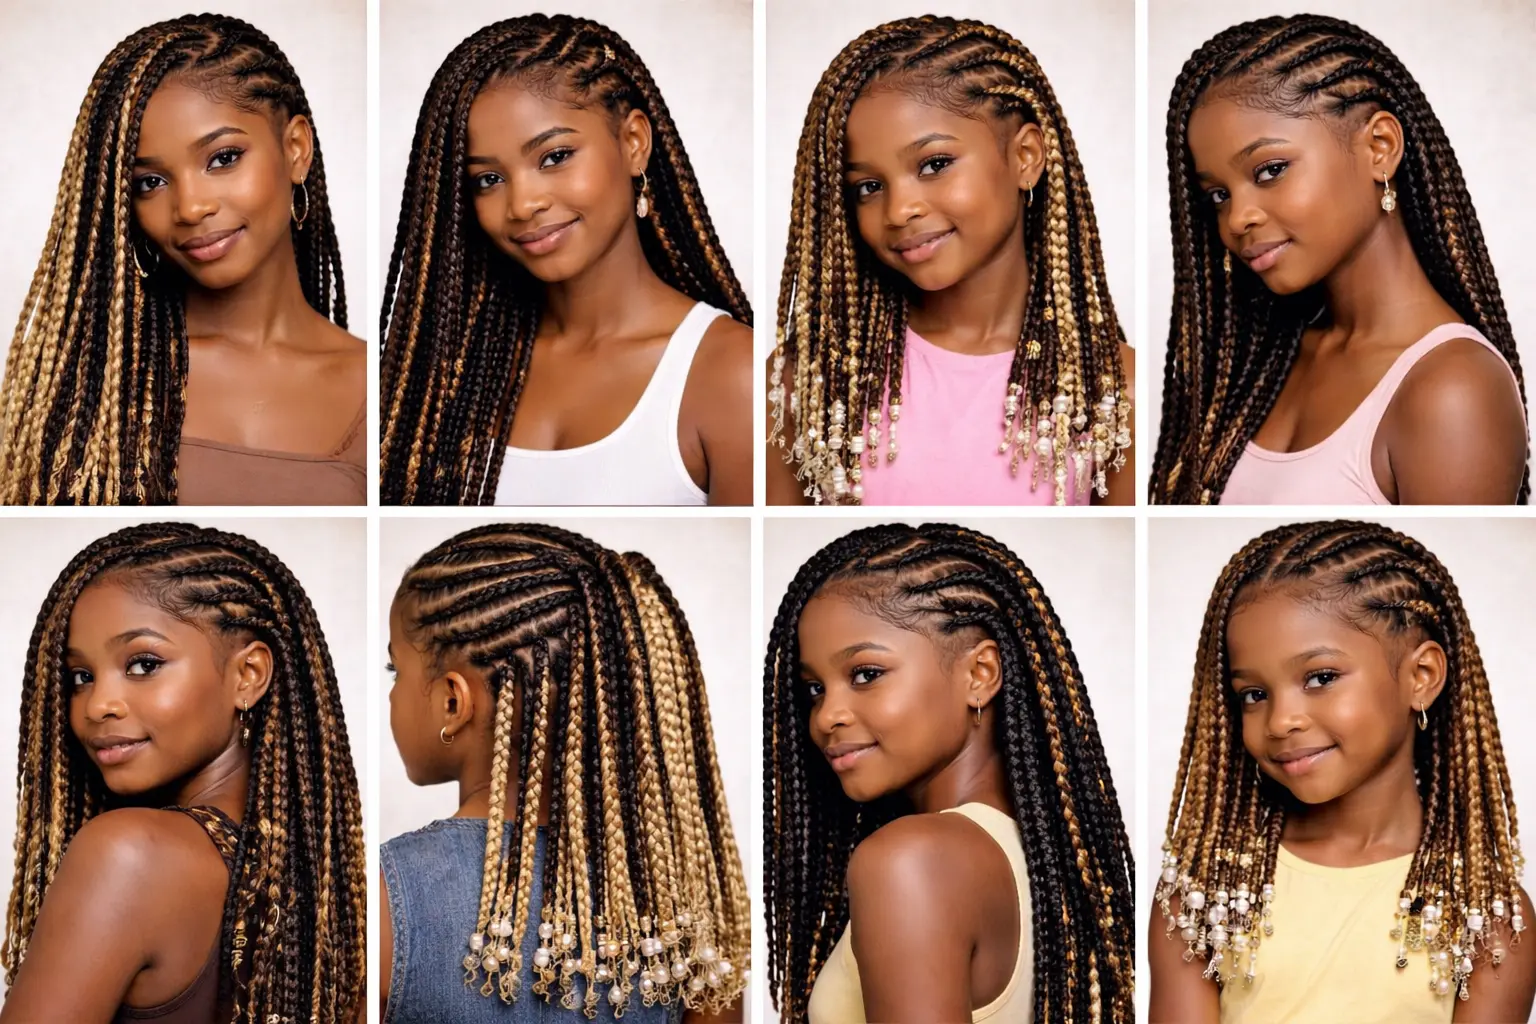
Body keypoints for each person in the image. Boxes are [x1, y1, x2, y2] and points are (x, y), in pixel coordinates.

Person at [1150, 520, 1536, 1022]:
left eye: (1321, 678)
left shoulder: (1486, 915)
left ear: (1421, 677)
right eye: (1254, 694)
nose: (1282, 720)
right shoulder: (1207, 893)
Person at [1151, 15, 1528, 505]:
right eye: (1219, 194)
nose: (1237, 218)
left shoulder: (1452, 391)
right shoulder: (1266, 358)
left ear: (1380, 148)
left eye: (1270, 170)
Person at [764, 522, 1133, 1021]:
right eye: (815, 689)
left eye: (865, 674)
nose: (827, 716)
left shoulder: (910, 860)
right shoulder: (1048, 863)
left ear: (979, 675)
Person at [380, 15, 753, 507]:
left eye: (554, 157)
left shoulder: (732, 375)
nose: (522, 204)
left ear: (634, 143)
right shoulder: (451, 369)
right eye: (487, 179)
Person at [381, 524, 748, 1021]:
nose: (391, 693)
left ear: (453, 701)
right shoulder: (681, 910)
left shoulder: (383, 899)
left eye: (395, 670)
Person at [0, 523, 365, 1022]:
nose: (98, 704)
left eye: (144, 664)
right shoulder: (320, 881)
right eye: (80, 677)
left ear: (248, 676)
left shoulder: (127, 853)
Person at [766, 16, 1134, 507]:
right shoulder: (810, 381)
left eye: (934, 164)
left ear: (1025, 156)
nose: (899, 210)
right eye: (868, 187)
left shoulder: (1113, 389)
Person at [0, 15, 364, 506]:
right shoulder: (89, 390)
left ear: (296, 149)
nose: (191, 207)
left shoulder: (392, 388)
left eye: (223, 158)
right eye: (150, 183)